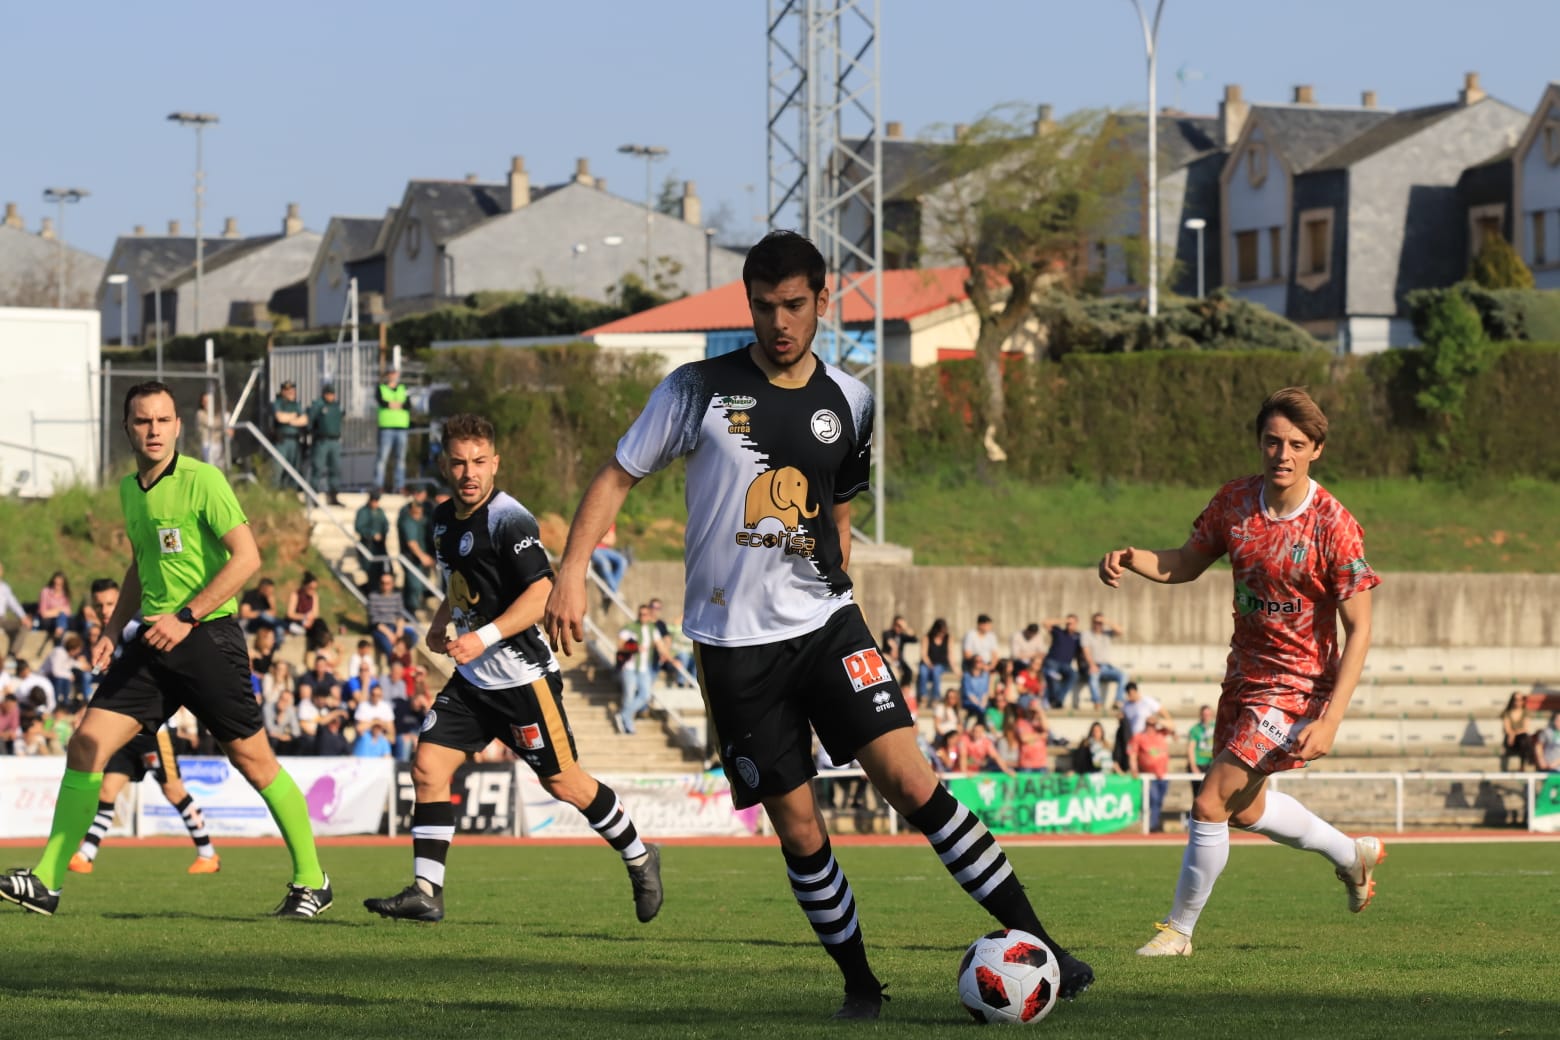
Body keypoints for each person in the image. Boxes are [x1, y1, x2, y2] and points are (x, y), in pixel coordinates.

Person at [542, 230, 1092, 1019]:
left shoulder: (853, 400)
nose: (779, 322)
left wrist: (837, 575)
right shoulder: (696, 388)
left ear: (823, 300)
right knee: (801, 830)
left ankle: (1046, 948)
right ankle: (862, 986)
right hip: (735, 651)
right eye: (764, 306)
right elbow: (617, 473)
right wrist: (571, 570)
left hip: (829, 628)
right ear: (750, 304)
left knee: (914, 784)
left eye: (794, 305)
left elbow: (838, 506)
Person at [0, 381, 330, 918]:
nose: (153, 430)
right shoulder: (131, 491)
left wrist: (187, 616)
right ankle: (46, 881)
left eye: (162, 420)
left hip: (206, 639)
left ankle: (312, 880)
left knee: (254, 760)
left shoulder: (204, 480)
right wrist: (111, 629)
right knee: (86, 742)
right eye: (142, 421)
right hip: (152, 642)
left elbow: (246, 560)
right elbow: (140, 566)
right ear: (128, 428)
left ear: (178, 426)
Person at [1098, 385, 1383, 958]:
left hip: (1298, 688)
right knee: (1245, 808)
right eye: (1273, 441)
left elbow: (1362, 630)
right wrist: (1133, 558)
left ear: (1316, 451)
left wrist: (1330, 721)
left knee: (1210, 802)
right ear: (1259, 444)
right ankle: (1350, 855)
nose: (1283, 454)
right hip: (1244, 677)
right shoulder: (1233, 503)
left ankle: (1178, 931)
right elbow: (1184, 562)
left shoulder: (1334, 525)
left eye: (1296, 444)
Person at [364, 412, 662, 926]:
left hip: (523, 679)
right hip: (476, 681)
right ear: (443, 465)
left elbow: (542, 591)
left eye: (479, 462)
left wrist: (482, 636)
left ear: (495, 462)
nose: (469, 473)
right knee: (428, 769)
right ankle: (426, 891)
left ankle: (639, 855)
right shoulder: (440, 520)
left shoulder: (510, 519)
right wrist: (442, 621)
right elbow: (461, 583)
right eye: (458, 463)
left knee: (564, 783)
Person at [70, 725, 221, 875]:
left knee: (175, 792)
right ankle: (85, 855)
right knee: (106, 792)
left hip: (154, 735)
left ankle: (207, 855)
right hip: (124, 736)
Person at [615, 604, 670, 735]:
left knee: (645, 695)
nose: (642, 617)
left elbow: (660, 645)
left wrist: (671, 659)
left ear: (649, 615)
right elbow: (619, 646)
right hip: (630, 667)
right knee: (629, 695)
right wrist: (634, 648)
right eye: (640, 614)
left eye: (645, 614)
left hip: (644, 668)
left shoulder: (653, 629)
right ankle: (628, 724)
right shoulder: (630, 628)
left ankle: (624, 715)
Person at [1129, 712, 1174, 832]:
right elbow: (1132, 754)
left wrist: (1158, 720)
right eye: (1149, 724)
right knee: (1153, 799)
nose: (1151, 726)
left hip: (1163, 774)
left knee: (1159, 800)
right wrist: (1134, 768)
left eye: (1153, 724)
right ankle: (1152, 825)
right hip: (1149, 775)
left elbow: (1173, 728)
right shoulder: (1139, 737)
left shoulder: (1161, 734)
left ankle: (1154, 822)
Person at [397, 489, 437, 614]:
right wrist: (423, 556)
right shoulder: (408, 521)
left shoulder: (423, 519)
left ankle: (412, 608)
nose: (418, 513)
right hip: (412, 558)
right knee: (413, 585)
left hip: (422, 557)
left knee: (419, 584)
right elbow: (412, 543)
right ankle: (409, 611)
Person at [1080, 613, 1129, 712]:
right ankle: (1097, 702)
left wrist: (1106, 621)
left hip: (1107, 667)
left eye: (1100, 622)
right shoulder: (1086, 634)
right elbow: (1086, 650)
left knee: (1123, 675)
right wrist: (1092, 665)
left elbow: (1121, 631)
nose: (1098, 624)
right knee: (1093, 676)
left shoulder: (1107, 633)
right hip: (1093, 665)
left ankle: (1118, 701)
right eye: (1096, 622)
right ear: (1092, 622)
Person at [366, 572, 417, 662]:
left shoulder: (397, 596)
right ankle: (395, 664)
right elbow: (374, 620)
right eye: (383, 583)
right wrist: (390, 634)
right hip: (381, 628)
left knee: (413, 636)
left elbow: (400, 615)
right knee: (388, 646)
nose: (385, 585)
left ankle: (402, 658)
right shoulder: (373, 596)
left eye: (388, 583)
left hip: (394, 626)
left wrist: (399, 631)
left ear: (392, 584)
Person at [376, 368, 410, 494]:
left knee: (400, 459)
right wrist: (397, 405)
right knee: (382, 458)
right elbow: (382, 402)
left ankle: (399, 486)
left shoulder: (403, 388)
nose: (393, 376)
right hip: (386, 427)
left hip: (401, 428)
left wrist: (392, 404)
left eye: (394, 373)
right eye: (390, 373)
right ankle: (378, 485)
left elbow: (408, 404)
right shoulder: (381, 388)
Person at [1038, 614, 1083, 710]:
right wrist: (1064, 620)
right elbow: (1045, 623)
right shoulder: (1059, 632)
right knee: (1054, 676)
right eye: (1068, 623)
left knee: (1074, 675)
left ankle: (1058, 700)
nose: (1069, 625)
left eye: (1072, 623)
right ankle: (1055, 701)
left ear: (1076, 624)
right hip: (1052, 661)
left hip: (1066, 665)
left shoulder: (1078, 636)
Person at [270, 380, 308, 489]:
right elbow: (280, 418)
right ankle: (275, 493)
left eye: (292, 390)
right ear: (283, 391)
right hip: (282, 441)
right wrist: (295, 416)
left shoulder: (296, 404)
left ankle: (290, 494)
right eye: (288, 390)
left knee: (293, 470)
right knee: (278, 469)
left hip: (295, 441)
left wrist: (289, 418)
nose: (291, 392)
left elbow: (304, 420)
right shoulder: (278, 403)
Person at [355, 490, 391, 587]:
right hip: (368, 545)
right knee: (370, 570)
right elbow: (359, 527)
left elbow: (385, 525)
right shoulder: (363, 511)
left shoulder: (380, 511)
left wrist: (383, 534)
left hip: (380, 546)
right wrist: (372, 534)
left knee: (384, 568)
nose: (375, 503)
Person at [238, 577, 288, 642]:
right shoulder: (250, 595)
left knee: (279, 628)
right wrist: (261, 613)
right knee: (263, 615)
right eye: (269, 591)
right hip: (251, 622)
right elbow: (244, 614)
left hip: (263, 623)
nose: (271, 593)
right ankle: (287, 625)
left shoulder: (269, 598)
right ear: (262, 588)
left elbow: (273, 615)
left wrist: (272, 604)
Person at [918, 617, 953, 707]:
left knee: (936, 671)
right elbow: (924, 654)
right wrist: (929, 664)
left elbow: (950, 655)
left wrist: (956, 669)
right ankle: (923, 697)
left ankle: (935, 698)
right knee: (923, 672)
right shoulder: (927, 637)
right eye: (941, 631)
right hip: (927, 663)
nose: (942, 634)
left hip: (941, 664)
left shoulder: (948, 638)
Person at [0, 560, 31, 653]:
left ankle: (12, 655)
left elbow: (14, 604)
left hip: (2, 620)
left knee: (23, 626)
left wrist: (23, 617)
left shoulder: (4, 588)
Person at [1186, 704, 1216, 801]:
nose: (1206, 717)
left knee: (1212, 793)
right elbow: (1191, 748)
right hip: (1199, 763)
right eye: (1204, 714)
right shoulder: (1195, 729)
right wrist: (1193, 766)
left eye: (1208, 714)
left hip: (1212, 764)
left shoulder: (1217, 727)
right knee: (1198, 794)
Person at [590, 521, 628, 596]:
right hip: (593, 549)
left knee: (623, 561)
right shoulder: (593, 520)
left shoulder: (610, 522)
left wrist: (599, 537)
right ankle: (614, 591)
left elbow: (611, 541)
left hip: (606, 550)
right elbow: (590, 538)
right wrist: (605, 537)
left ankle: (611, 590)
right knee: (605, 563)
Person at [881, 615, 918, 690]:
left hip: (899, 661)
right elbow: (890, 642)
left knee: (908, 672)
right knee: (893, 673)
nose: (899, 628)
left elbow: (914, 639)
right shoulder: (887, 633)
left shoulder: (902, 636)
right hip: (888, 659)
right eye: (898, 625)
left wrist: (906, 627)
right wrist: (894, 649)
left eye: (901, 626)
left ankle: (904, 692)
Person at [1500, 693, 1533, 772]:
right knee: (1524, 740)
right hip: (1511, 739)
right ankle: (1526, 763)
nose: (1518, 702)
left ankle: (1522, 766)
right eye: (1516, 699)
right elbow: (1507, 729)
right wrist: (1512, 735)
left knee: (1524, 739)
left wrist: (1513, 734)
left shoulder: (1525, 712)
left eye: (1520, 700)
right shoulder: (1507, 713)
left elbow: (1525, 729)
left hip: (1520, 739)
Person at [196, 391, 227, 469]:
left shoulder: (216, 414)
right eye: (204, 401)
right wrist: (223, 422)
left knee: (220, 467)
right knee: (211, 467)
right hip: (207, 444)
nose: (206, 403)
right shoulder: (200, 413)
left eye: (208, 401)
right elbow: (212, 424)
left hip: (218, 443)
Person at [38, 571, 72, 639]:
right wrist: (59, 610)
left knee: (63, 618)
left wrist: (57, 612)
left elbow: (68, 612)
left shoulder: (65, 595)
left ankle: (59, 632)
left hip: (60, 619)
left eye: (60, 584)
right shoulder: (46, 592)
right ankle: (59, 639)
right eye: (55, 583)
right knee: (62, 617)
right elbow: (43, 613)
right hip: (47, 620)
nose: (56, 586)